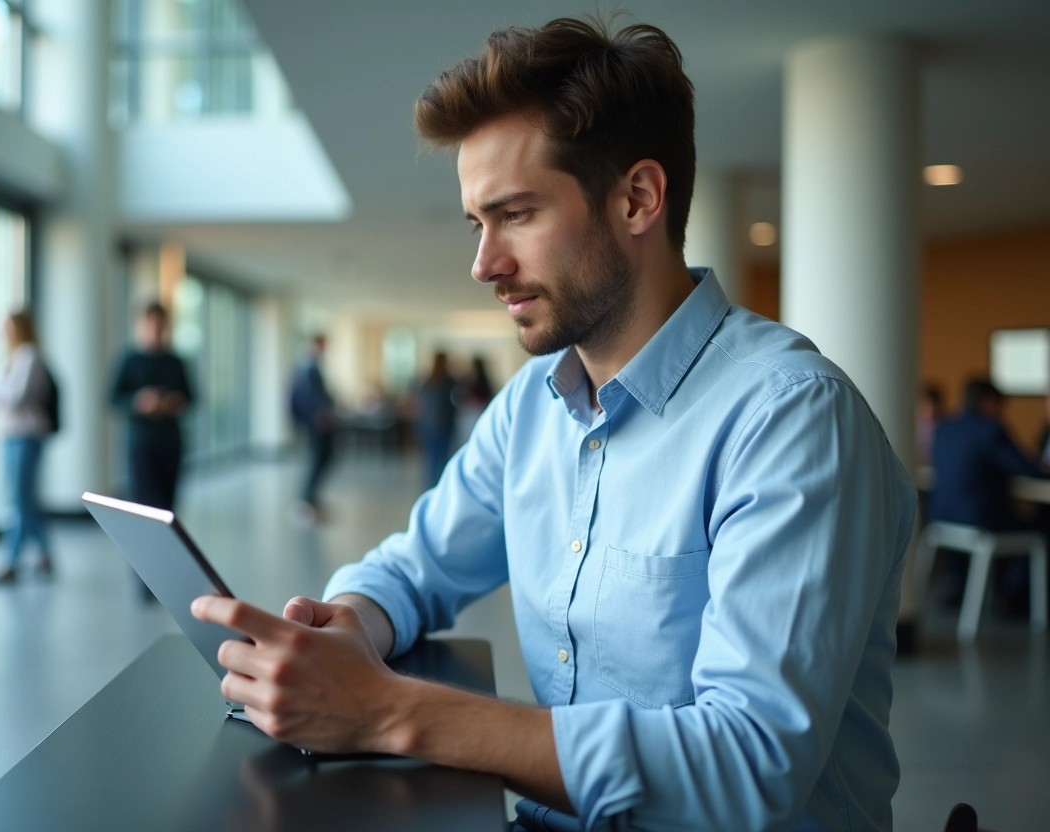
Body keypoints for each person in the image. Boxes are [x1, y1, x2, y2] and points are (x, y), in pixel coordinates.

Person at [189, 18, 917, 832]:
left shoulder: (791, 419)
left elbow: (747, 767)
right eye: (477, 223)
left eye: (516, 214)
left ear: (637, 198)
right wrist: (350, 624)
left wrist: (388, 711)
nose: (483, 263)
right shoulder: (531, 406)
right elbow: (418, 564)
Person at [930, 378, 1048, 610]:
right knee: (1041, 526)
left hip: (941, 518)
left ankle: (959, 585)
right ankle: (1012, 597)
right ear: (990, 402)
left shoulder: (944, 427)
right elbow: (1025, 468)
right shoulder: (990, 430)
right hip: (979, 521)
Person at [110, 303, 192, 579]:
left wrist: (173, 402)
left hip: (171, 443)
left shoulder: (175, 360)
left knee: (167, 511)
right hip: (141, 445)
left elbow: (191, 396)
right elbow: (112, 399)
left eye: (161, 324)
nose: (156, 329)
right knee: (145, 510)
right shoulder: (130, 359)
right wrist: (139, 402)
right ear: (142, 324)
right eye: (151, 323)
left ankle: (163, 571)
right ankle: (143, 574)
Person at [0, 310, 55, 583]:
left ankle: (11, 560)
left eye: (7, 326)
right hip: (9, 435)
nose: (2, 332)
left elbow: (16, 398)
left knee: (19, 498)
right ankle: (44, 553)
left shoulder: (30, 357)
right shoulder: (9, 360)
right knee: (22, 498)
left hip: (27, 435)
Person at [289, 335, 335, 523]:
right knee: (318, 459)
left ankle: (311, 499)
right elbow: (310, 398)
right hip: (315, 424)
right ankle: (306, 501)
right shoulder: (308, 368)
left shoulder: (312, 367)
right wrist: (319, 416)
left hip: (316, 423)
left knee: (322, 458)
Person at [415, 351, 459, 489]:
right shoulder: (449, 381)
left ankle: (431, 485)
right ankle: (440, 485)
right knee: (443, 455)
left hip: (428, 424)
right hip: (444, 423)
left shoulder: (428, 380)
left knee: (432, 457)